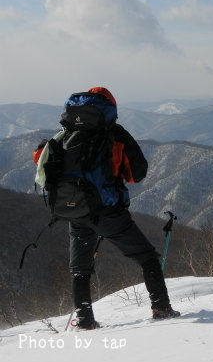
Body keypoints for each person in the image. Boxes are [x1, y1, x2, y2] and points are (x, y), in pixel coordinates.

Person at [33, 87, 180, 329]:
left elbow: (39, 159)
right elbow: (137, 173)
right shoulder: (115, 134)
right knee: (147, 258)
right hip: (108, 212)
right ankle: (161, 308)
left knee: (80, 269)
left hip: (75, 210)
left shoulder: (64, 133)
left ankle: (84, 320)